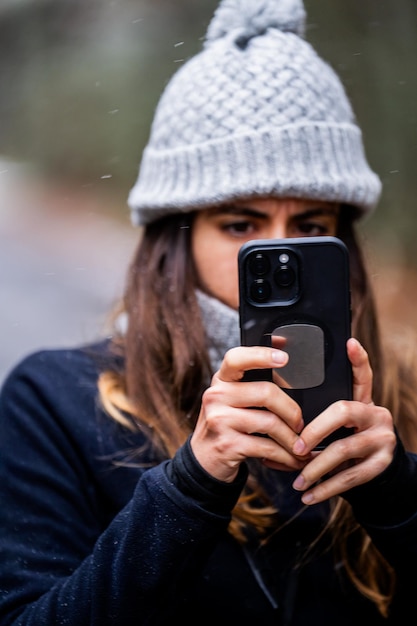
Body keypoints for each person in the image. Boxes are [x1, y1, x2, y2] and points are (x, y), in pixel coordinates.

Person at [1, 0, 417, 624]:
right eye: (240, 223)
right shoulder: (54, 403)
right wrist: (190, 487)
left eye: (310, 224)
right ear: (177, 237)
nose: (280, 252)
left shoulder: (402, 399)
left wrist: (397, 498)